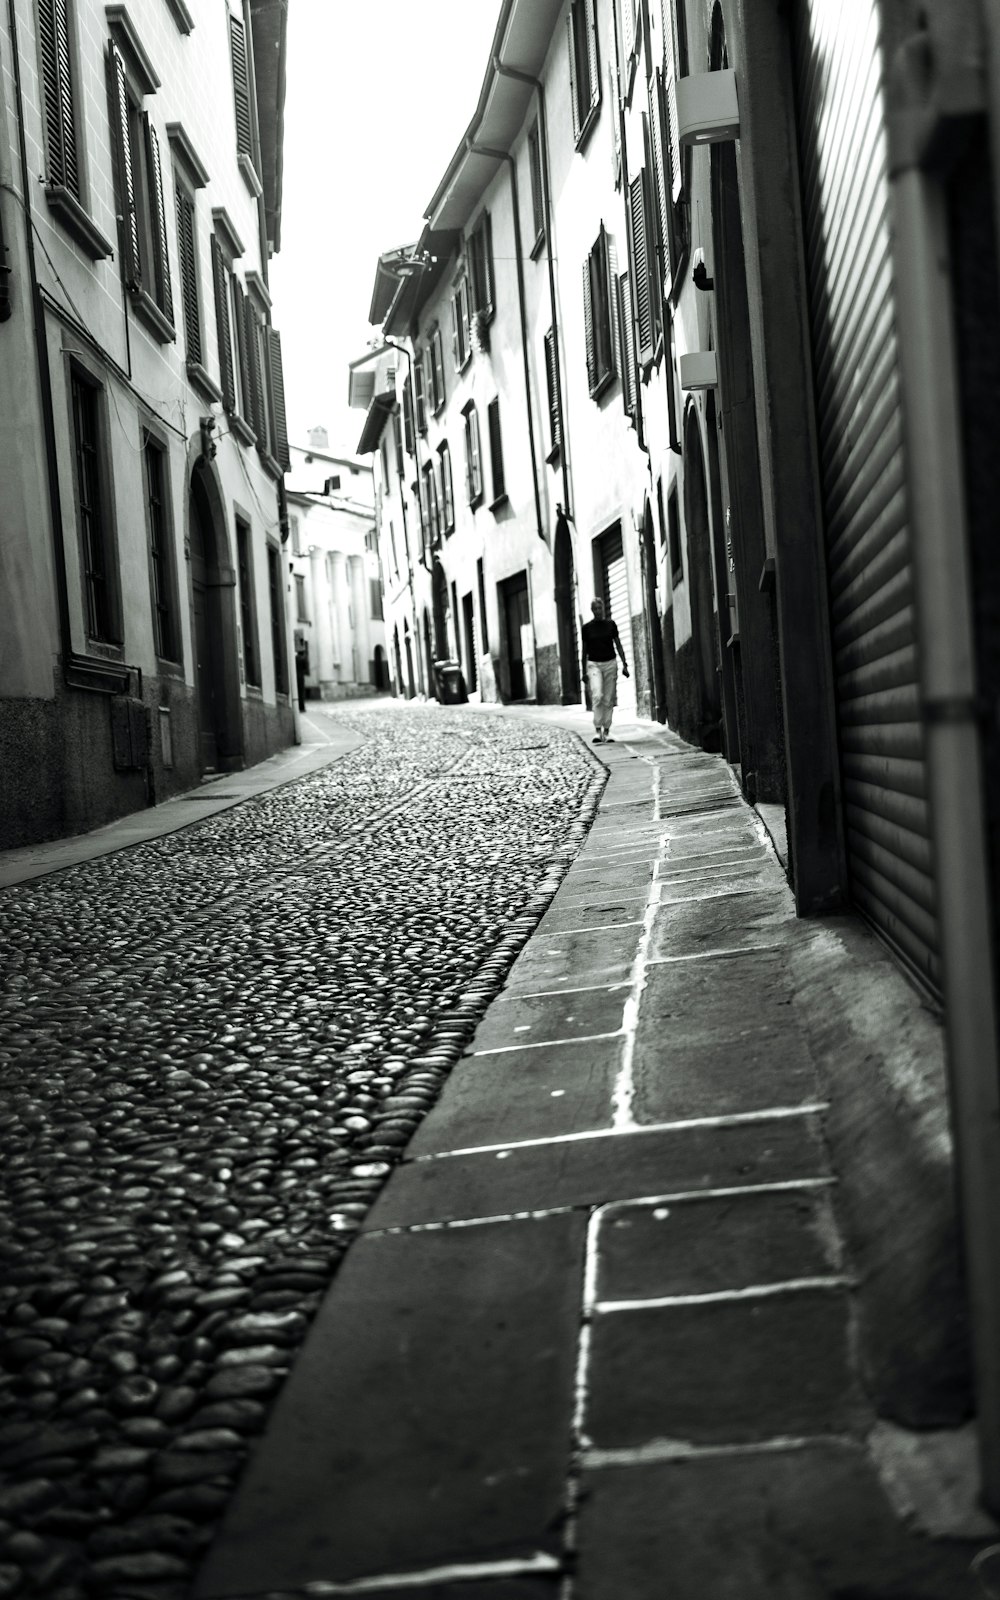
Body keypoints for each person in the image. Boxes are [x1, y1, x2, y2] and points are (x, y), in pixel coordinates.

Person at [581, 597, 629, 744]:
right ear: (592, 610)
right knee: (597, 695)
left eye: (599, 608)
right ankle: (597, 730)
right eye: (595, 608)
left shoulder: (611, 625)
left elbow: (618, 644)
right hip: (594, 664)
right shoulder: (587, 628)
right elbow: (584, 650)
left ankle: (606, 731)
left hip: (610, 663)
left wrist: (624, 664)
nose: (597, 611)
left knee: (608, 698)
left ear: (603, 609)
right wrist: (583, 671)